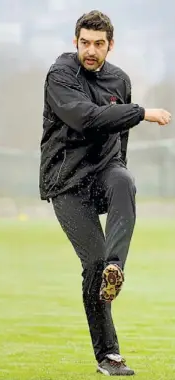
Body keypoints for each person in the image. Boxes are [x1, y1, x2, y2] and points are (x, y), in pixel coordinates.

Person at [39, 10, 171, 376]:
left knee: (124, 181)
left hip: (104, 174)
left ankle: (117, 267)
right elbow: (88, 118)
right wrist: (142, 111)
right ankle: (109, 356)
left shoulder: (120, 80)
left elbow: (119, 139)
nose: (91, 50)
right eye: (85, 43)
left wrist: (118, 168)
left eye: (99, 44)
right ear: (75, 42)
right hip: (66, 183)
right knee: (93, 266)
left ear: (111, 45)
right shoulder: (61, 75)